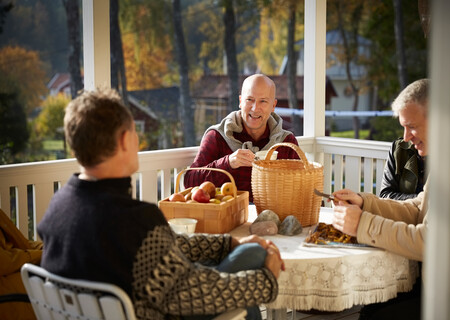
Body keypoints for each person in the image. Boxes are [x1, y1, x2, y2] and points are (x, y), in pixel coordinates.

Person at [37, 88, 284, 320]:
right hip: (164, 310)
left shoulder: (58, 208)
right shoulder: (134, 220)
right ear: (125, 140)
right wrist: (266, 280)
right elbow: (191, 293)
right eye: (134, 132)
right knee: (253, 256)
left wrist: (227, 243)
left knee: (242, 251)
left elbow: (161, 243)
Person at [331, 79, 429, 320]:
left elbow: (428, 243)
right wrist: (365, 202)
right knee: (370, 308)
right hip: (428, 285)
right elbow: (417, 208)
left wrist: (362, 224)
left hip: (448, 298)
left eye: (412, 126)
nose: (405, 137)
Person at [184, 74, 299, 202]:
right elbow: (189, 181)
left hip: (274, 216)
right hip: (229, 216)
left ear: (273, 105)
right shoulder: (217, 136)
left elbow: (302, 185)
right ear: (240, 101)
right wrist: (228, 163)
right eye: (250, 99)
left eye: (263, 101)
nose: (255, 108)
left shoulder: (286, 142)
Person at [0, 209, 43, 320]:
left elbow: (22, 244)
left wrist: (47, 248)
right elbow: (5, 262)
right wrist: (42, 254)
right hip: (11, 293)